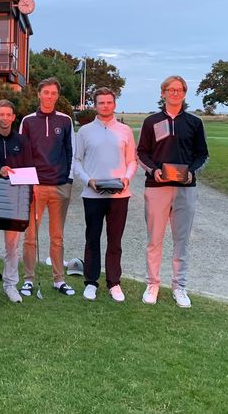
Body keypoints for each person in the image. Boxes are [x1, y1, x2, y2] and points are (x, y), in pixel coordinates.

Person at [137, 75, 209, 308]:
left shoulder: (194, 122)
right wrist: (154, 170)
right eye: (171, 89)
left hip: (185, 189)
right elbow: (142, 153)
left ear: (184, 94)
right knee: (154, 239)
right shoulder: (151, 121)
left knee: (181, 240)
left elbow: (202, 154)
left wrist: (191, 172)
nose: (175, 93)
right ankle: (152, 284)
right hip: (157, 187)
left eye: (179, 90)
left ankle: (179, 286)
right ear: (163, 93)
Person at [72, 88, 137, 303]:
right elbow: (77, 161)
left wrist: (126, 178)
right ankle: (91, 281)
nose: (105, 106)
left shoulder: (125, 130)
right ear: (95, 105)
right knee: (92, 239)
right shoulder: (85, 131)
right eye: (101, 102)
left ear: (114, 105)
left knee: (115, 241)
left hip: (119, 194)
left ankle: (114, 283)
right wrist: (88, 180)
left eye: (109, 102)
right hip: (93, 194)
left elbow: (132, 161)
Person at [19, 77, 75, 297]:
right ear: (39, 94)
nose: (49, 96)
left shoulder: (65, 120)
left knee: (57, 237)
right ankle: (29, 279)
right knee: (30, 237)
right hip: (35, 187)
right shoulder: (28, 121)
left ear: (57, 96)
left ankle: (59, 279)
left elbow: (71, 151)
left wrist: (68, 180)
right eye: (46, 92)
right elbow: (22, 153)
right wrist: (28, 182)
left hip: (59, 186)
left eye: (53, 93)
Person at [0, 99, 33, 303]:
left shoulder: (22, 141)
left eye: (8, 115)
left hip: (15, 201)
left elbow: (29, 171)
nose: (4, 118)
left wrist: (28, 200)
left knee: (12, 246)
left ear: (13, 117)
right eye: (0, 114)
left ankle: (11, 284)